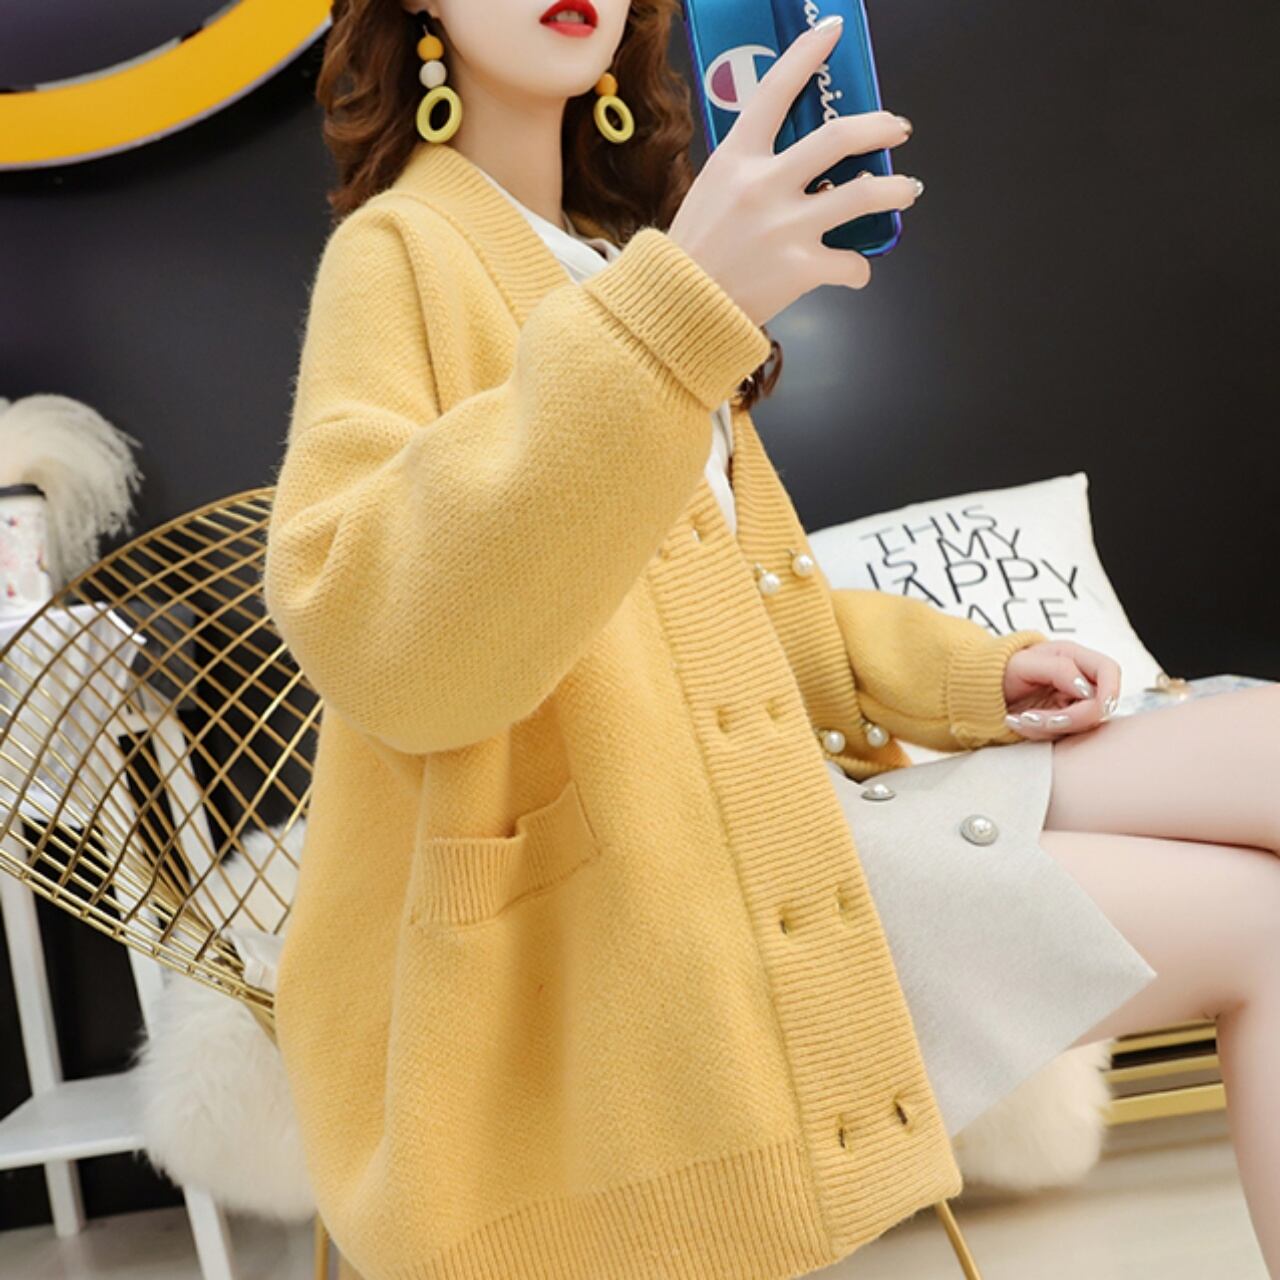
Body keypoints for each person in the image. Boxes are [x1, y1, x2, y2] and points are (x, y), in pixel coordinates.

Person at [263, 2, 1280, 1276]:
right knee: (1257, 922)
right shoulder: (400, 251)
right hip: (659, 887)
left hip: (786, 804)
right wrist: (670, 312)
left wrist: (970, 673)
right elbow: (375, 637)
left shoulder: (606, 254)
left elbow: (716, 607)